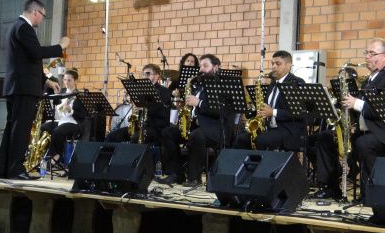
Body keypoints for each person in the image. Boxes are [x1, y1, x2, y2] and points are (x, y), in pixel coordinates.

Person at [314, 38, 385, 200]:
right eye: (366, 53)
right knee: (324, 138)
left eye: (372, 54)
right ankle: (330, 187)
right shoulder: (368, 81)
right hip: (365, 131)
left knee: (363, 144)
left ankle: (372, 193)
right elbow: (363, 111)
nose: (367, 57)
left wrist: (356, 103)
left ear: (384, 56)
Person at [0, 0, 69, 180]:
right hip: (23, 88)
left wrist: (46, 80)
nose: (42, 19)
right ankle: (15, 170)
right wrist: (61, 46)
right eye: (43, 15)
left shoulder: (17, 27)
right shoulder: (24, 27)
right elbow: (37, 53)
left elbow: (28, 61)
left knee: (12, 128)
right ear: (36, 12)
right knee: (20, 130)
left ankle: (3, 169)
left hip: (18, 86)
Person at [159, 54, 234, 185]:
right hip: (196, 124)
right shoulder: (199, 83)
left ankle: (194, 178)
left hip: (216, 127)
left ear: (216, 67)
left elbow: (221, 111)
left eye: (205, 66)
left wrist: (199, 103)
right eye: (201, 66)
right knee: (168, 133)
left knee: (196, 136)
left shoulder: (224, 84)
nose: (201, 69)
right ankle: (176, 174)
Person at [234, 50, 306, 151]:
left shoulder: (297, 82)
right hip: (271, 128)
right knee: (241, 139)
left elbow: (298, 112)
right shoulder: (272, 84)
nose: (274, 67)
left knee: (260, 140)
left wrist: (273, 112)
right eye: (272, 63)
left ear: (288, 66)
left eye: (278, 64)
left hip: (288, 130)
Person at [106, 64, 172, 144]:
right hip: (140, 126)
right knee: (111, 136)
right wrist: (135, 111)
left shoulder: (164, 91)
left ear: (157, 76)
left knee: (136, 138)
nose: (144, 76)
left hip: (156, 128)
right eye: (143, 74)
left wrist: (144, 108)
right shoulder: (141, 90)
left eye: (147, 74)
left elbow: (162, 110)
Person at [41, 68, 85, 169]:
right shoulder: (62, 92)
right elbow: (58, 112)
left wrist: (70, 110)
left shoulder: (80, 95)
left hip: (73, 122)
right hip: (61, 121)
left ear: (75, 81)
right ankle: (42, 156)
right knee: (43, 127)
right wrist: (57, 97)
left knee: (57, 131)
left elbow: (82, 115)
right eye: (65, 80)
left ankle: (57, 156)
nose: (66, 82)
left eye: (69, 80)